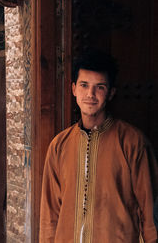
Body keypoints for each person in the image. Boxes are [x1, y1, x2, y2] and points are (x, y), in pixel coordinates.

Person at [39, 49, 158, 242]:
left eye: (99, 87)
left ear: (111, 93)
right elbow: (49, 216)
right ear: (74, 89)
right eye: (84, 85)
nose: (90, 94)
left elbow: (149, 210)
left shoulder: (133, 143)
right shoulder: (59, 146)